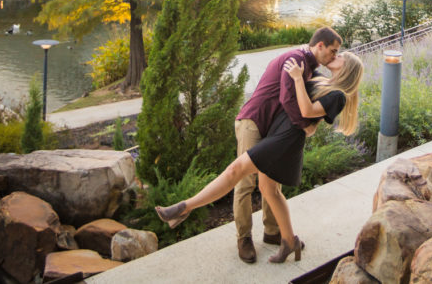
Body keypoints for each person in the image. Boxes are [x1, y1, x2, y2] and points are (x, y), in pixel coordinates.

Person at [155, 50, 363, 264]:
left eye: (340, 57)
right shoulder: (321, 78)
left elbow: (308, 110)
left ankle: (184, 208)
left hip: (286, 139)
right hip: (277, 131)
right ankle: (289, 241)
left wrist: (298, 80)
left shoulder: (338, 96)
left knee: (234, 171)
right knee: (269, 190)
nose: (335, 56)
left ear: (347, 69)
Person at [231, 26, 342, 263]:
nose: (334, 56)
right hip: (254, 121)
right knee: (246, 182)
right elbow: (287, 98)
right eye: (332, 51)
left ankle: (273, 232)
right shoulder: (296, 60)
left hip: (271, 127)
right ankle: (244, 238)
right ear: (319, 45)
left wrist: (315, 123)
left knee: (272, 179)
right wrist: (305, 126)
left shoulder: (310, 68)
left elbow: (320, 100)